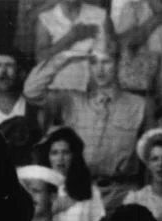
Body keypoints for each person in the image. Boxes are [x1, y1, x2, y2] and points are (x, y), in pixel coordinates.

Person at [25, 30, 152, 206]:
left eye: (106, 62)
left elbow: (151, 156)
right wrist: (65, 57)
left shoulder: (139, 105)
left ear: (118, 63)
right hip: (79, 193)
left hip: (123, 194)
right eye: (93, 62)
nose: (100, 69)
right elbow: (31, 92)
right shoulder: (72, 101)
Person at [36, 125, 105, 221]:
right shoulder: (39, 190)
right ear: (48, 157)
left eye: (65, 152)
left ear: (73, 156)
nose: (60, 158)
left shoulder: (90, 191)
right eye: (54, 153)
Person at [31, 0, 107, 94]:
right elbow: (40, 60)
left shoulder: (100, 15)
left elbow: (110, 53)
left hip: (94, 90)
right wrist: (70, 38)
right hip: (58, 91)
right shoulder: (46, 19)